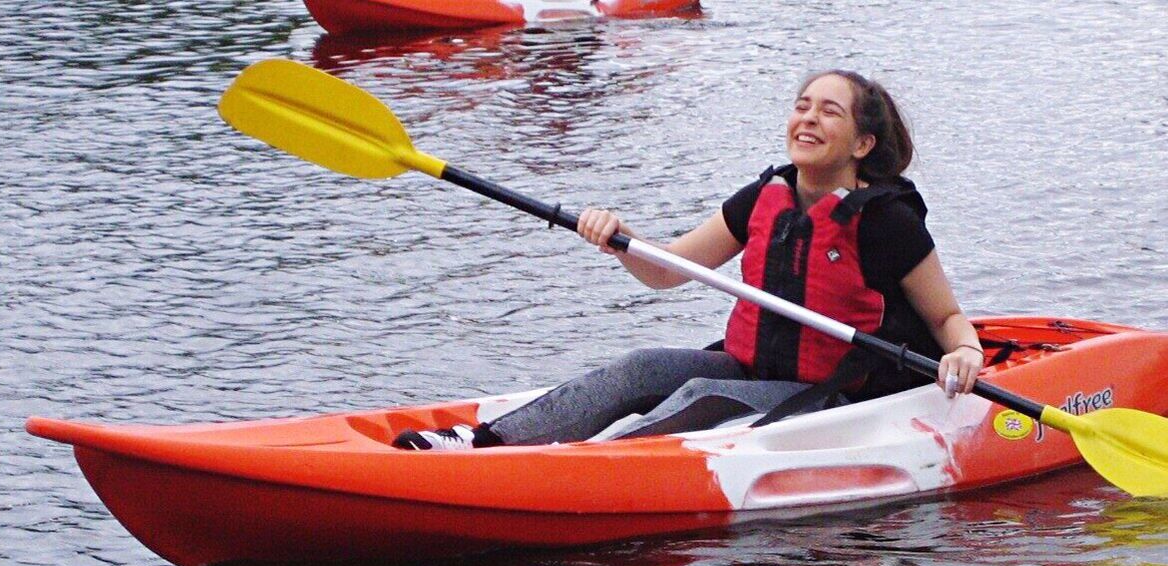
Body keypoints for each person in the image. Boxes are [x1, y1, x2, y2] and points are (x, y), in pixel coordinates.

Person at [394, 70, 984, 451]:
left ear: (861, 144)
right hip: (756, 370)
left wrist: (965, 353)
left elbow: (947, 320)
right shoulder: (763, 199)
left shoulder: (884, 221)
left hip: (838, 394)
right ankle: (480, 444)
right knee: (640, 368)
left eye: (829, 112)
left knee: (699, 393)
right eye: (802, 106)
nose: (808, 118)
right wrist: (620, 238)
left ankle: (573, 466)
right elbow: (666, 269)